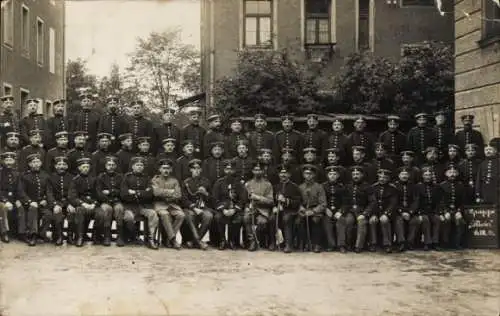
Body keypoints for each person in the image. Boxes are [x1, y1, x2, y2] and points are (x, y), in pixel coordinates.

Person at [120, 156, 158, 249]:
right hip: (129, 206)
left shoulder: (147, 178)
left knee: (153, 214)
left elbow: (150, 194)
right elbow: (124, 194)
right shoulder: (127, 177)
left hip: (143, 206)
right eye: (137, 165)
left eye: (141, 165)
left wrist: (135, 192)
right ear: (133, 166)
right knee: (129, 218)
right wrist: (142, 192)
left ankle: (151, 238)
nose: (140, 167)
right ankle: (134, 236)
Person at [17, 153, 53, 246]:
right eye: (33, 162)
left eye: (38, 162)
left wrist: (45, 199)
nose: (36, 164)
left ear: (41, 163)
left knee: (48, 215)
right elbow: (21, 192)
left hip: (42, 203)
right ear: (29, 164)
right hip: (29, 204)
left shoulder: (46, 176)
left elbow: (48, 191)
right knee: (33, 209)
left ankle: (41, 233)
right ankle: (33, 234)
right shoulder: (24, 176)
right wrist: (30, 202)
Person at [212, 159, 247, 250]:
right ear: (224, 170)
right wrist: (223, 209)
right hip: (222, 209)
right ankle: (222, 240)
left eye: (231, 169)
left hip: (235, 209)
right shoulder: (219, 183)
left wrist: (234, 209)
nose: (229, 171)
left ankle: (232, 240)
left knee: (238, 219)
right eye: (227, 169)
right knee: (218, 217)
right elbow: (215, 199)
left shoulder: (239, 183)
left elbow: (242, 199)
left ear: (234, 170)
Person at [67, 157, 102, 247]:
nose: (86, 169)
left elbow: (98, 195)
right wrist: (83, 204)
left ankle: (95, 236)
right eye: (83, 167)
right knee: (79, 210)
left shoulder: (95, 179)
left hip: (93, 204)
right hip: (82, 205)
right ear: (79, 168)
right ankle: (80, 237)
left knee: (101, 213)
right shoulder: (75, 180)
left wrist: (94, 204)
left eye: (87, 166)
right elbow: (72, 196)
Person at [151, 158, 184, 250]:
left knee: (181, 215)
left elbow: (178, 195)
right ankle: (173, 240)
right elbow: (156, 193)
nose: (166, 170)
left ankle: (168, 239)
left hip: (172, 205)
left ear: (171, 170)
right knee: (165, 214)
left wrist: (164, 193)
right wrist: (171, 192)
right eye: (164, 168)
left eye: (168, 168)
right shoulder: (155, 180)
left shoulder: (174, 180)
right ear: (160, 169)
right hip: (159, 204)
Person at [269, 164, 301, 253]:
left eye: (285, 173)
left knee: (286, 219)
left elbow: (297, 202)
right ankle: (273, 242)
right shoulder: (275, 187)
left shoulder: (294, 187)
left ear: (289, 175)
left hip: (291, 211)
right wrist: (274, 207)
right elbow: (271, 200)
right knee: (272, 218)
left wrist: (285, 200)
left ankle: (288, 244)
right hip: (278, 211)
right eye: (281, 173)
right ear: (279, 175)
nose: (283, 175)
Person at [181, 159, 212, 250]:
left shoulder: (206, 181)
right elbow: (184, 199)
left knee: (209, 216)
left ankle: (193, 241)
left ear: (201, 170)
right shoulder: (186, 182)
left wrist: (206, 193)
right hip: (190, 208)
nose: (196, 170)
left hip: (203, 207)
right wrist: (194, 208)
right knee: (190, 216)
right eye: (194, 168)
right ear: (190, 170)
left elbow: (211, 198)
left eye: (198, 168)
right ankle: (198, 241)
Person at [244, 161, 275, 251]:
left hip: (263, 210)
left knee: (262, 222)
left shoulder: (267, 184)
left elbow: (270, 201)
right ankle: (252, 241)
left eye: (259, 170)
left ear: (263, 171)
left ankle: (259, 239)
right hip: (251, 208)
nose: (257, 172)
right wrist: (247, 206)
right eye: (255, 170)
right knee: (246, 218)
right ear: (252, 171)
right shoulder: (248, 184)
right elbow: (244, 199)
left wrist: (258, 198)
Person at [367, 169, 399, 253]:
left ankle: (387, 244)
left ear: (388, 179)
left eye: (384, 177)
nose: (382, 179)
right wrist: (373, 214)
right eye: (380, 177)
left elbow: (393, 203)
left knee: (384, 220)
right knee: (372, 220)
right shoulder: (373, 187)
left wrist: (386, 214)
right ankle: (373, 243)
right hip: (376, 212)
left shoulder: (393, 189)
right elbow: (372, 202)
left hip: (388, 212)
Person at [297, 164, 326, 253]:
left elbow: (323, 203)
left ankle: (317, 244)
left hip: (315, 210)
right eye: (306, 173)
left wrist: (313, 211)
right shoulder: (300, 187)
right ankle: (305, 243)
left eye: (310, 174)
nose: (308, 176)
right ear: (303, 175)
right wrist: (301, 208)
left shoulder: (319, 187)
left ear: (313, 175)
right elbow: (297, 201)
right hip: (304, 209)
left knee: (315, 220)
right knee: (300, 220)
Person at [95, 156, 124, 246]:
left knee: (119, 209)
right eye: (109, 165)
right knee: (107, 209)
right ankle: (107, 236)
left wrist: (110, 191)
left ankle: (120, 237)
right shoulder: (101, 177)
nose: (111, 166)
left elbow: (122, 191)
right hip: (105, 201)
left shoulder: (120, 177)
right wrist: (108, 197)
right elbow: (99, 193)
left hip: (117, 201)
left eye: (113, 165)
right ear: (105, 166)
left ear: (115, 166)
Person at [411, 167, 441, 250]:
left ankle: (435, 242)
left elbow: (439, 201)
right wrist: (419, 213)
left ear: (432, 176)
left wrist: (438, 212)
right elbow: (415, 201)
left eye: (429, 175)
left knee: (437, 219)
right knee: (425, 220)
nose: (428, 177)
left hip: (432, 211)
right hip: (422, 211)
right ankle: (427, 243)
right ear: (422, 176)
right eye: (426, 175)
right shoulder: (417, 187)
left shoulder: (436, 187)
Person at [344, 166, 372, 253]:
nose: (355, 176)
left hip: (362, 211)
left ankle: (358, 246)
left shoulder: (367, 187)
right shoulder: (348, 186)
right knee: (348, 221)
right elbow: (345, 201)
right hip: (351, 211)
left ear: (362, 175)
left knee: (361, 222)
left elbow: (372, 202)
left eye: (357, 174)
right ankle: (348, 244)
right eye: (354, 174)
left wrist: (365, 213)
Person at [439, 165, 467, 249]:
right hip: (445, 210)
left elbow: (463, 201)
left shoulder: (460, 185)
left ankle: (457, 243)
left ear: (457, 174)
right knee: (446, 220)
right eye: (450, 172)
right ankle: (445, 243)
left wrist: (459, 211)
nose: (452, 174)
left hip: (456, 210)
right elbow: (440, 201)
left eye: (454, 172)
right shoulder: (441, 185)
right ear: (446, 174)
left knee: (460, 221)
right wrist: (445, 211)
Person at [47, 156, 73, 246]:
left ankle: (70, 236)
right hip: (56, 203)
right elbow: (49, 193)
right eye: (59, 164)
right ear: (55, 166)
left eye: (64, 164)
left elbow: (72, 192)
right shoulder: (50, 178)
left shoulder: (71, 177)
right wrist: (55, 204)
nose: (61, 166)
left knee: (72, 212)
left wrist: (70, 203)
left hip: (68, 203)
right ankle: (59, 236)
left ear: (67, 166)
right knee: (58, 214)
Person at [0, 152, 23, 241]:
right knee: (3, 207)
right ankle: (4, 232)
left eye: (11, 160)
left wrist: (17, 200)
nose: (9, 162)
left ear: (14, 161)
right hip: (2, 199)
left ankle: (21, 233)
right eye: (7, 160)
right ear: (3, 161)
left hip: (13, 198)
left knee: (21, 207)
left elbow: (19, 189)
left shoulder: (17, 174)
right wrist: (5, 200)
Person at [394, 167, 418, 251]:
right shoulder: (395, 186)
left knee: (414, 220)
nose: (404, 176)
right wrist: (402, 212)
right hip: (398, 211)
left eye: (406, 174)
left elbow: (415, 201)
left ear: (409, 175)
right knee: (398, 221)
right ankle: (401, 242)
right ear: (399, 175)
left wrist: (410, 212)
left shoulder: (413, 186)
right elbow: (394, 202)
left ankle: (410, 242)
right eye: (402, 174)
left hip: (410, 211)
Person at [322, 165, 346, 252]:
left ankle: (341, 245)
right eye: (330, 174)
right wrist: (325, 209)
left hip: (338, 211)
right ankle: (331, 245)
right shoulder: (323, 186)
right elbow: (321, 200)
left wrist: (340, 211)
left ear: (338, 176)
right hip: (327, 210)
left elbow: (345, 202)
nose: (332, 176)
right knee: (326, 221)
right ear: (327, 176)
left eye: (334, 174)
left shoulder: (342, 187)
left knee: (341, 220)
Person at [476, 139, 500, 205]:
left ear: (495, 151)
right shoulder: (482, 164)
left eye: (490, 150)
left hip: (497, 192)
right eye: (486, 150)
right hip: (485, 192)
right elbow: (479, 180)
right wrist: (478, 194)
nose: (488, 151)